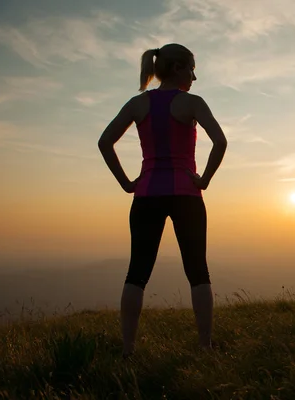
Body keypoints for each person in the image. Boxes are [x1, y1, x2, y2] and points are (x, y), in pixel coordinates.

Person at [97, 43, 227, 357]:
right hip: (187, 195)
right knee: (198, 271)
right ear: (178, 68)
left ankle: (128, 349)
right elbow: (220, 141)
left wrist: (127, 183)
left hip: (146, 196)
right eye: (192, 69)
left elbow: (105, 142)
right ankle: (205, 346)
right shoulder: (192, 103)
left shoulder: (137, 104)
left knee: (137, 273)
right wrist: (205, 179)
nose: (195, 77)